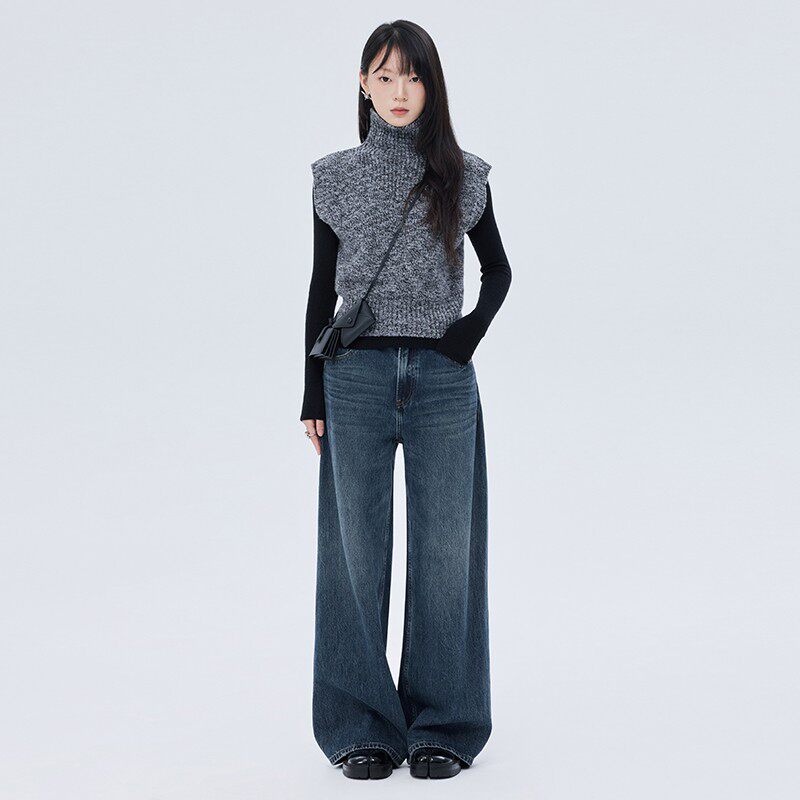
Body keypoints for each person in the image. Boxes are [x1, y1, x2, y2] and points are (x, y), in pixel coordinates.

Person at [300, 20, 512, 780]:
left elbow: (500, 272)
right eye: (385, 76)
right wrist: (310, 392)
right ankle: (360, 725)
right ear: (363, 84)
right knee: (353, 551)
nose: (399, 91)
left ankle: (444, 726)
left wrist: (463, 340)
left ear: (432, 85)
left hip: (443, 384)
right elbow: (320, 290)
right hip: (353, 378)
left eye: (413, 77)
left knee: (447, 550)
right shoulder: (334, 177)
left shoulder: (465, 174)